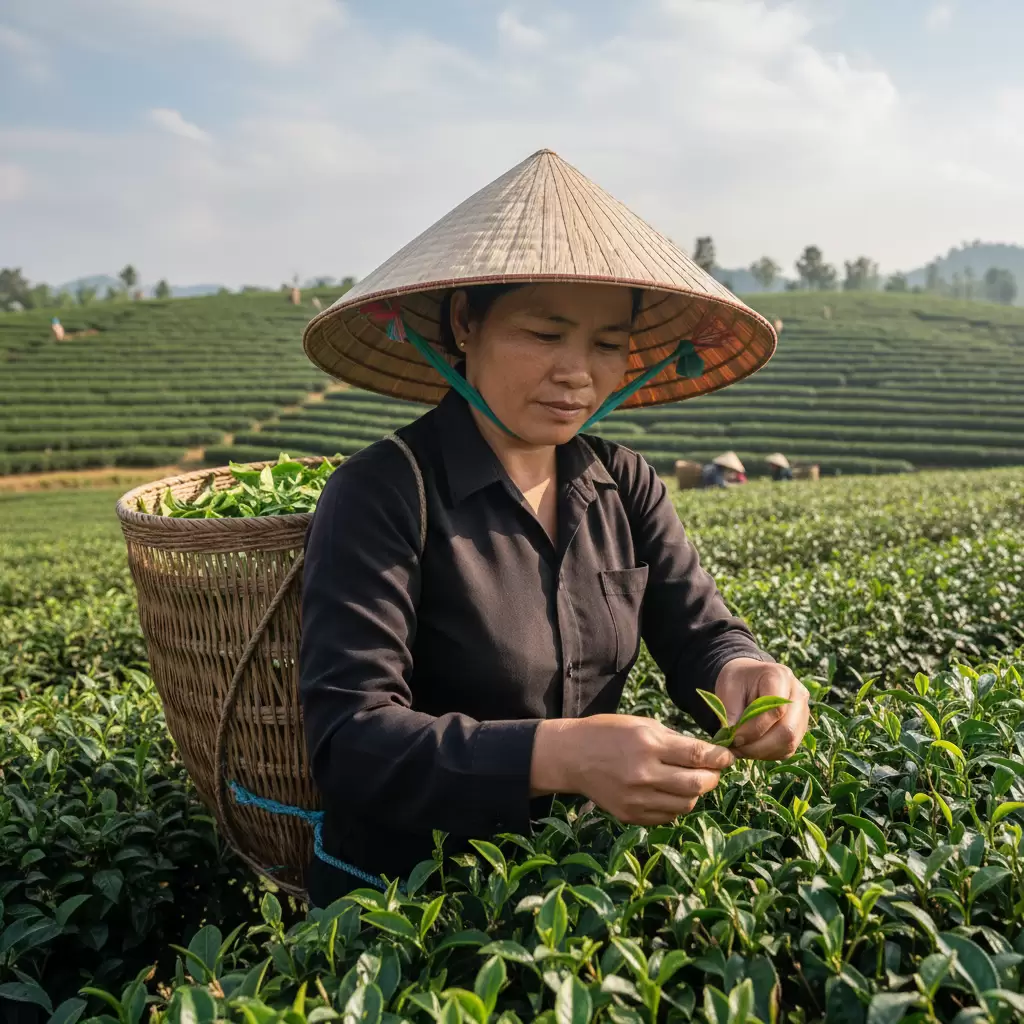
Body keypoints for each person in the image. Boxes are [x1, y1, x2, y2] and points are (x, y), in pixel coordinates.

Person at [298, 149, 808, 906]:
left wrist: (746, 674)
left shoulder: (622, 481)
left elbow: (701, 632)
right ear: (466, 323)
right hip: (403, 904)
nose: (579, 372)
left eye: (606, 345)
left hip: (572, 889)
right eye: (545, 334)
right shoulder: (382, 491)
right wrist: (559, 757)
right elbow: (351, 742)